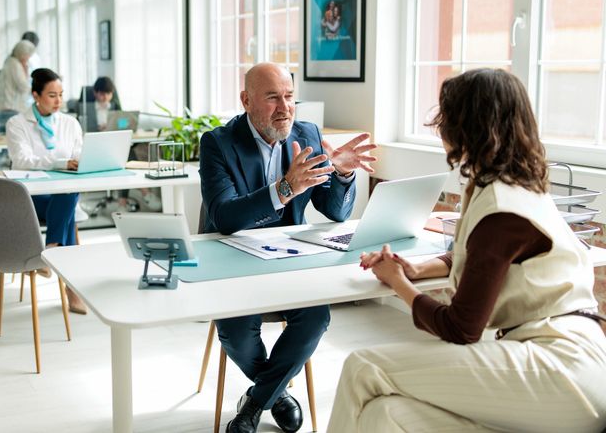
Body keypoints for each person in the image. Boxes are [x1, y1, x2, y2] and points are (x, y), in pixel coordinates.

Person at [328, 68, 606, 432]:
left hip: (561, 369)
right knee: (386, 415)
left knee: (364, 368)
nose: (440, 126)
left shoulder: (503, 208)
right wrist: (416, 270)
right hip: (569, 364)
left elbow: (461, 329)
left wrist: (398, 282)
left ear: (468, 126)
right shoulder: (516, 186)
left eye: (446, 117)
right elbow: (484, 257)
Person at [199, 62, 377, 433]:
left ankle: (253, 405)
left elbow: (335, 210)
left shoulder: (307, 133)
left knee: (316, 317)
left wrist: (342, 173)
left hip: (289, 258)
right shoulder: (218, 143)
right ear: (246, 101)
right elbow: (225, 216)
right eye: (272, 98)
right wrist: (284, 189)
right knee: (235, 330)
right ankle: (275, 395)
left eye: (290, 97)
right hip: (232, 258)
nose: (285, 108)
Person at [5, 68, 88, 315]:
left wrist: (79, 162)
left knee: (68, 193)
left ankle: (50, 250)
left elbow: (79, 155)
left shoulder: (70, 124)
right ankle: (72, 290)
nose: (58, 101)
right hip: (30, 200)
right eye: (52, 95)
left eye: (61, 95)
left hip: (61, 196)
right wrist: (61, 162)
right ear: (35, 95)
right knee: (68, 207)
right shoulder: (17, 124)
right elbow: (22, 160)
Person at [0, 39, 35, 114]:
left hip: (8, 106)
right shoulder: (15, 64)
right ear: (23, 54)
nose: (28, 58)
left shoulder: (10, 61)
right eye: (28, 55)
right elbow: (23, 86)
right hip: (10, 107)